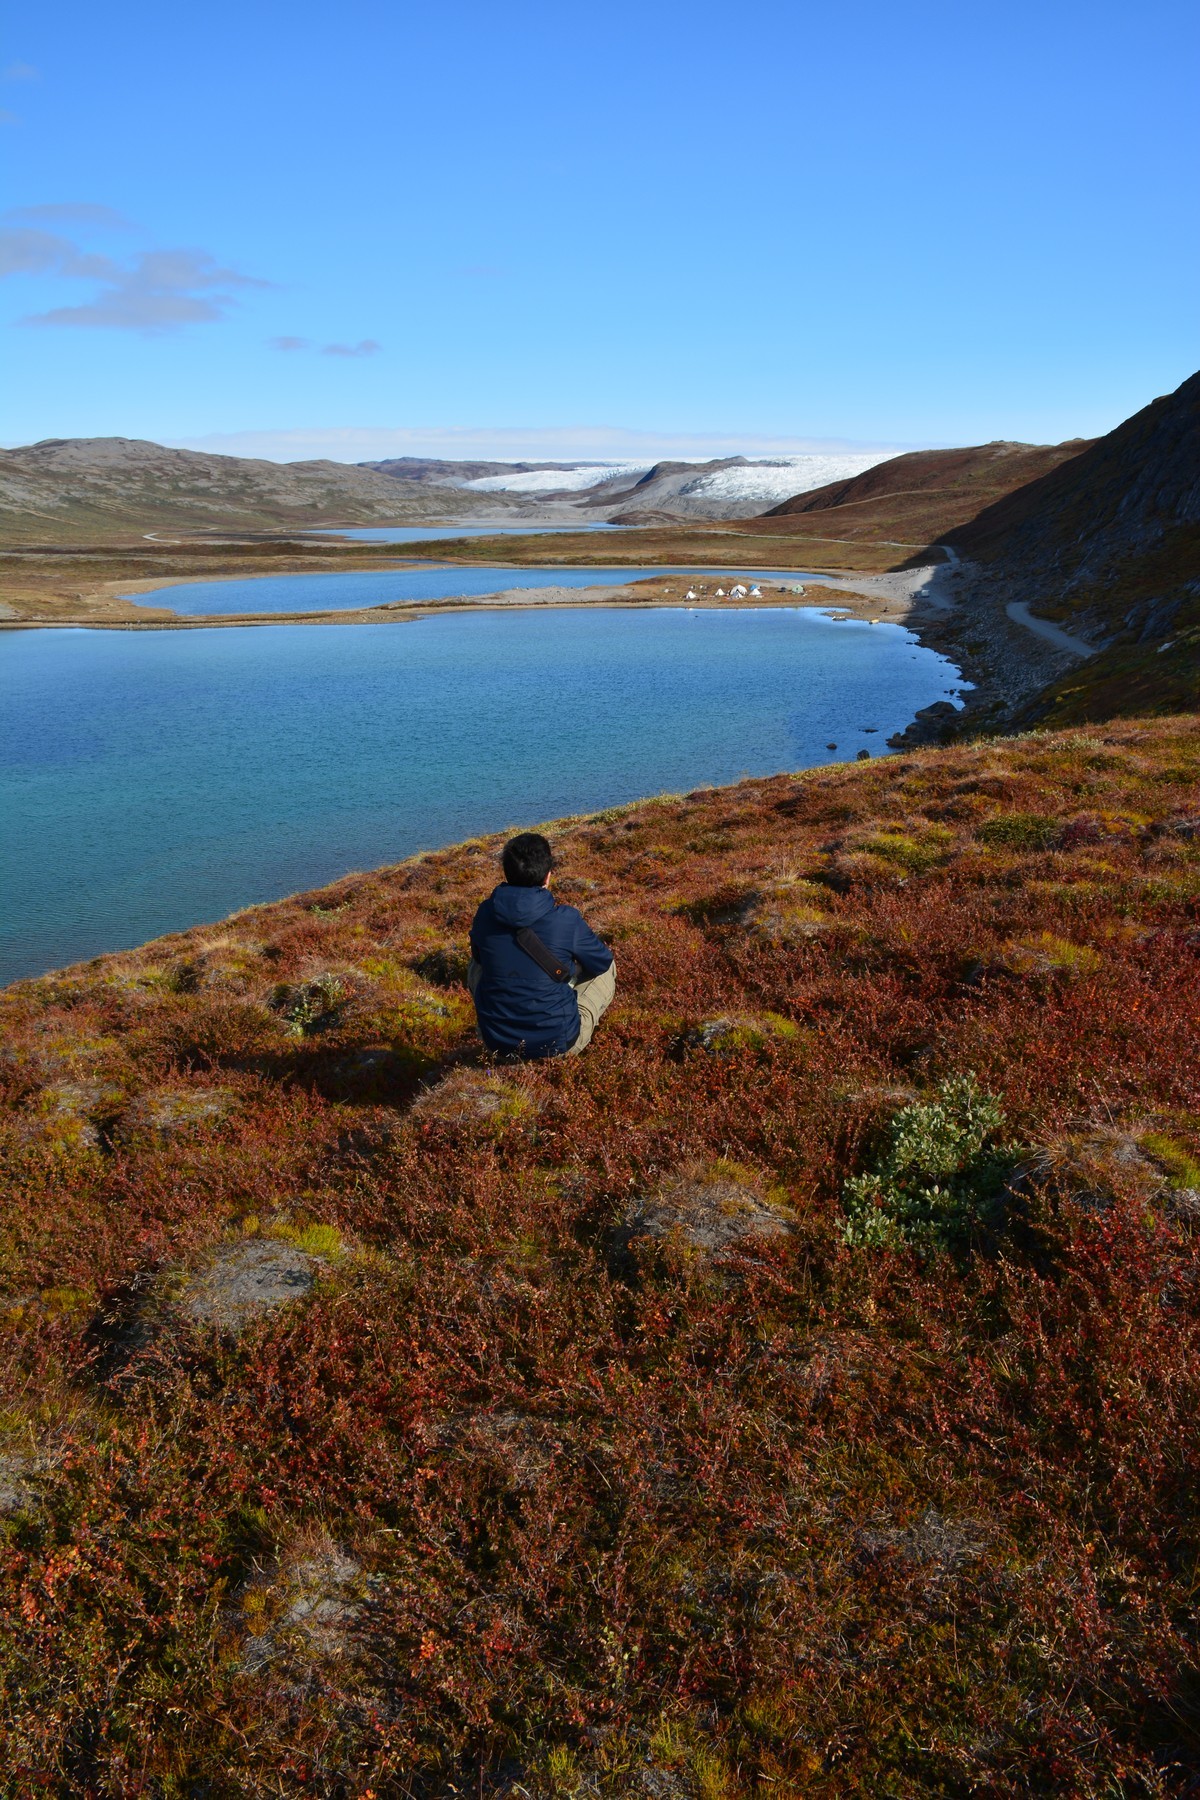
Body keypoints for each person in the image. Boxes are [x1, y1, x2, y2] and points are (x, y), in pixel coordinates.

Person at [468, 832, 615, 1059]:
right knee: (607, 968)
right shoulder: (566, 919)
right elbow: (601, 962)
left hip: (496, 1043)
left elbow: (479, 957)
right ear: (548, 877)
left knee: (475, 964)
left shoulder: (485, 914)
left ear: (507, 873)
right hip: (559, 1043)